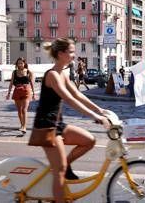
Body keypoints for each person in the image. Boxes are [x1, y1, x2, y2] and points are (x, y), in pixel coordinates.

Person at [32, 38, 111, 202]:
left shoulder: (63, 73)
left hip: (58, 124)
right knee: (59, 171)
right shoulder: (53, 75)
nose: (74, 55)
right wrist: (95, 116)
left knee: (89, 140)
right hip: (46, 127)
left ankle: (62, 166)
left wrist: (100, 109)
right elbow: (69, 99)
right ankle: (59, 183)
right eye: (71, 52)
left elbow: (78, 94)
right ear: (61, 54)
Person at [6, 57, 35, 134]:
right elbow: (11, 83)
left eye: (21, 63)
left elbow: (32, 83)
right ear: (17, 64)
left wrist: (33, 94)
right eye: (19, 63)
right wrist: (8, 93)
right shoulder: (14, 72)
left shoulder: (29, 72)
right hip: (17, 91)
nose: (20, 64)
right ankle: (22, 125)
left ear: (24, 63)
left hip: (26, 91)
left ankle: (24, 127)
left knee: (24, 110)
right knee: (19, 110)